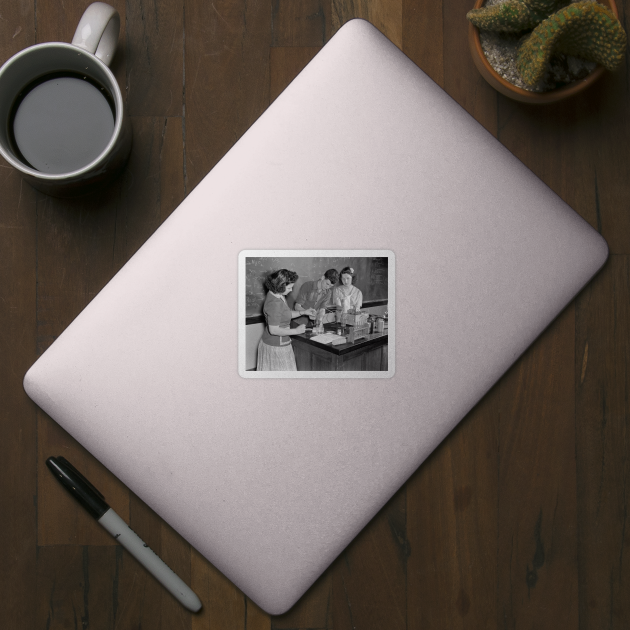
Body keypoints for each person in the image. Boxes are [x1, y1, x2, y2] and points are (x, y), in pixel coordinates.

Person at [257, 269, 316, 371]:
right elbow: (274, 330)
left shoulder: (278, 294)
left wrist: (304, 312)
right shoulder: (274, 303)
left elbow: (285, 314)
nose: (291, 290)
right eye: (289, 288)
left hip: (280, 342)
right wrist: (296, 331)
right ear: (280, 286)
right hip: (275, 346)